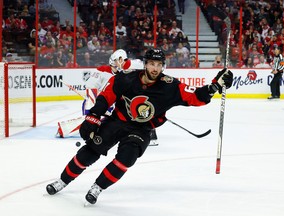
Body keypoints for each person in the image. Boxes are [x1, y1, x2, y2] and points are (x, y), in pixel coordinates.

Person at [46, 48, 233, 205]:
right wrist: (93, 117)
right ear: (145, 64)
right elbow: (106, 96)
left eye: (159, 65)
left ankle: (97, 188)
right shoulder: (127, 78)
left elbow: (195, 97)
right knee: (89, 152)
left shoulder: (170, 86)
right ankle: (62, 181)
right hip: (117, 121)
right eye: (152, 64)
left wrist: (215, 86)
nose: (155, 68)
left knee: (127, 158)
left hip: (141, 129)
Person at [57, 49, 159, 145]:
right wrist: (96, 109)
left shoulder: (126, 73)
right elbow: (91, 90)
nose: (118, 64)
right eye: (116, 62)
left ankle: (145, 131)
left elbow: (141, 65)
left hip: (112, 107)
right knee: (99, 122)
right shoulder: (102, 71)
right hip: (98, 106)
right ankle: (65, 128)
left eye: (122, 61)